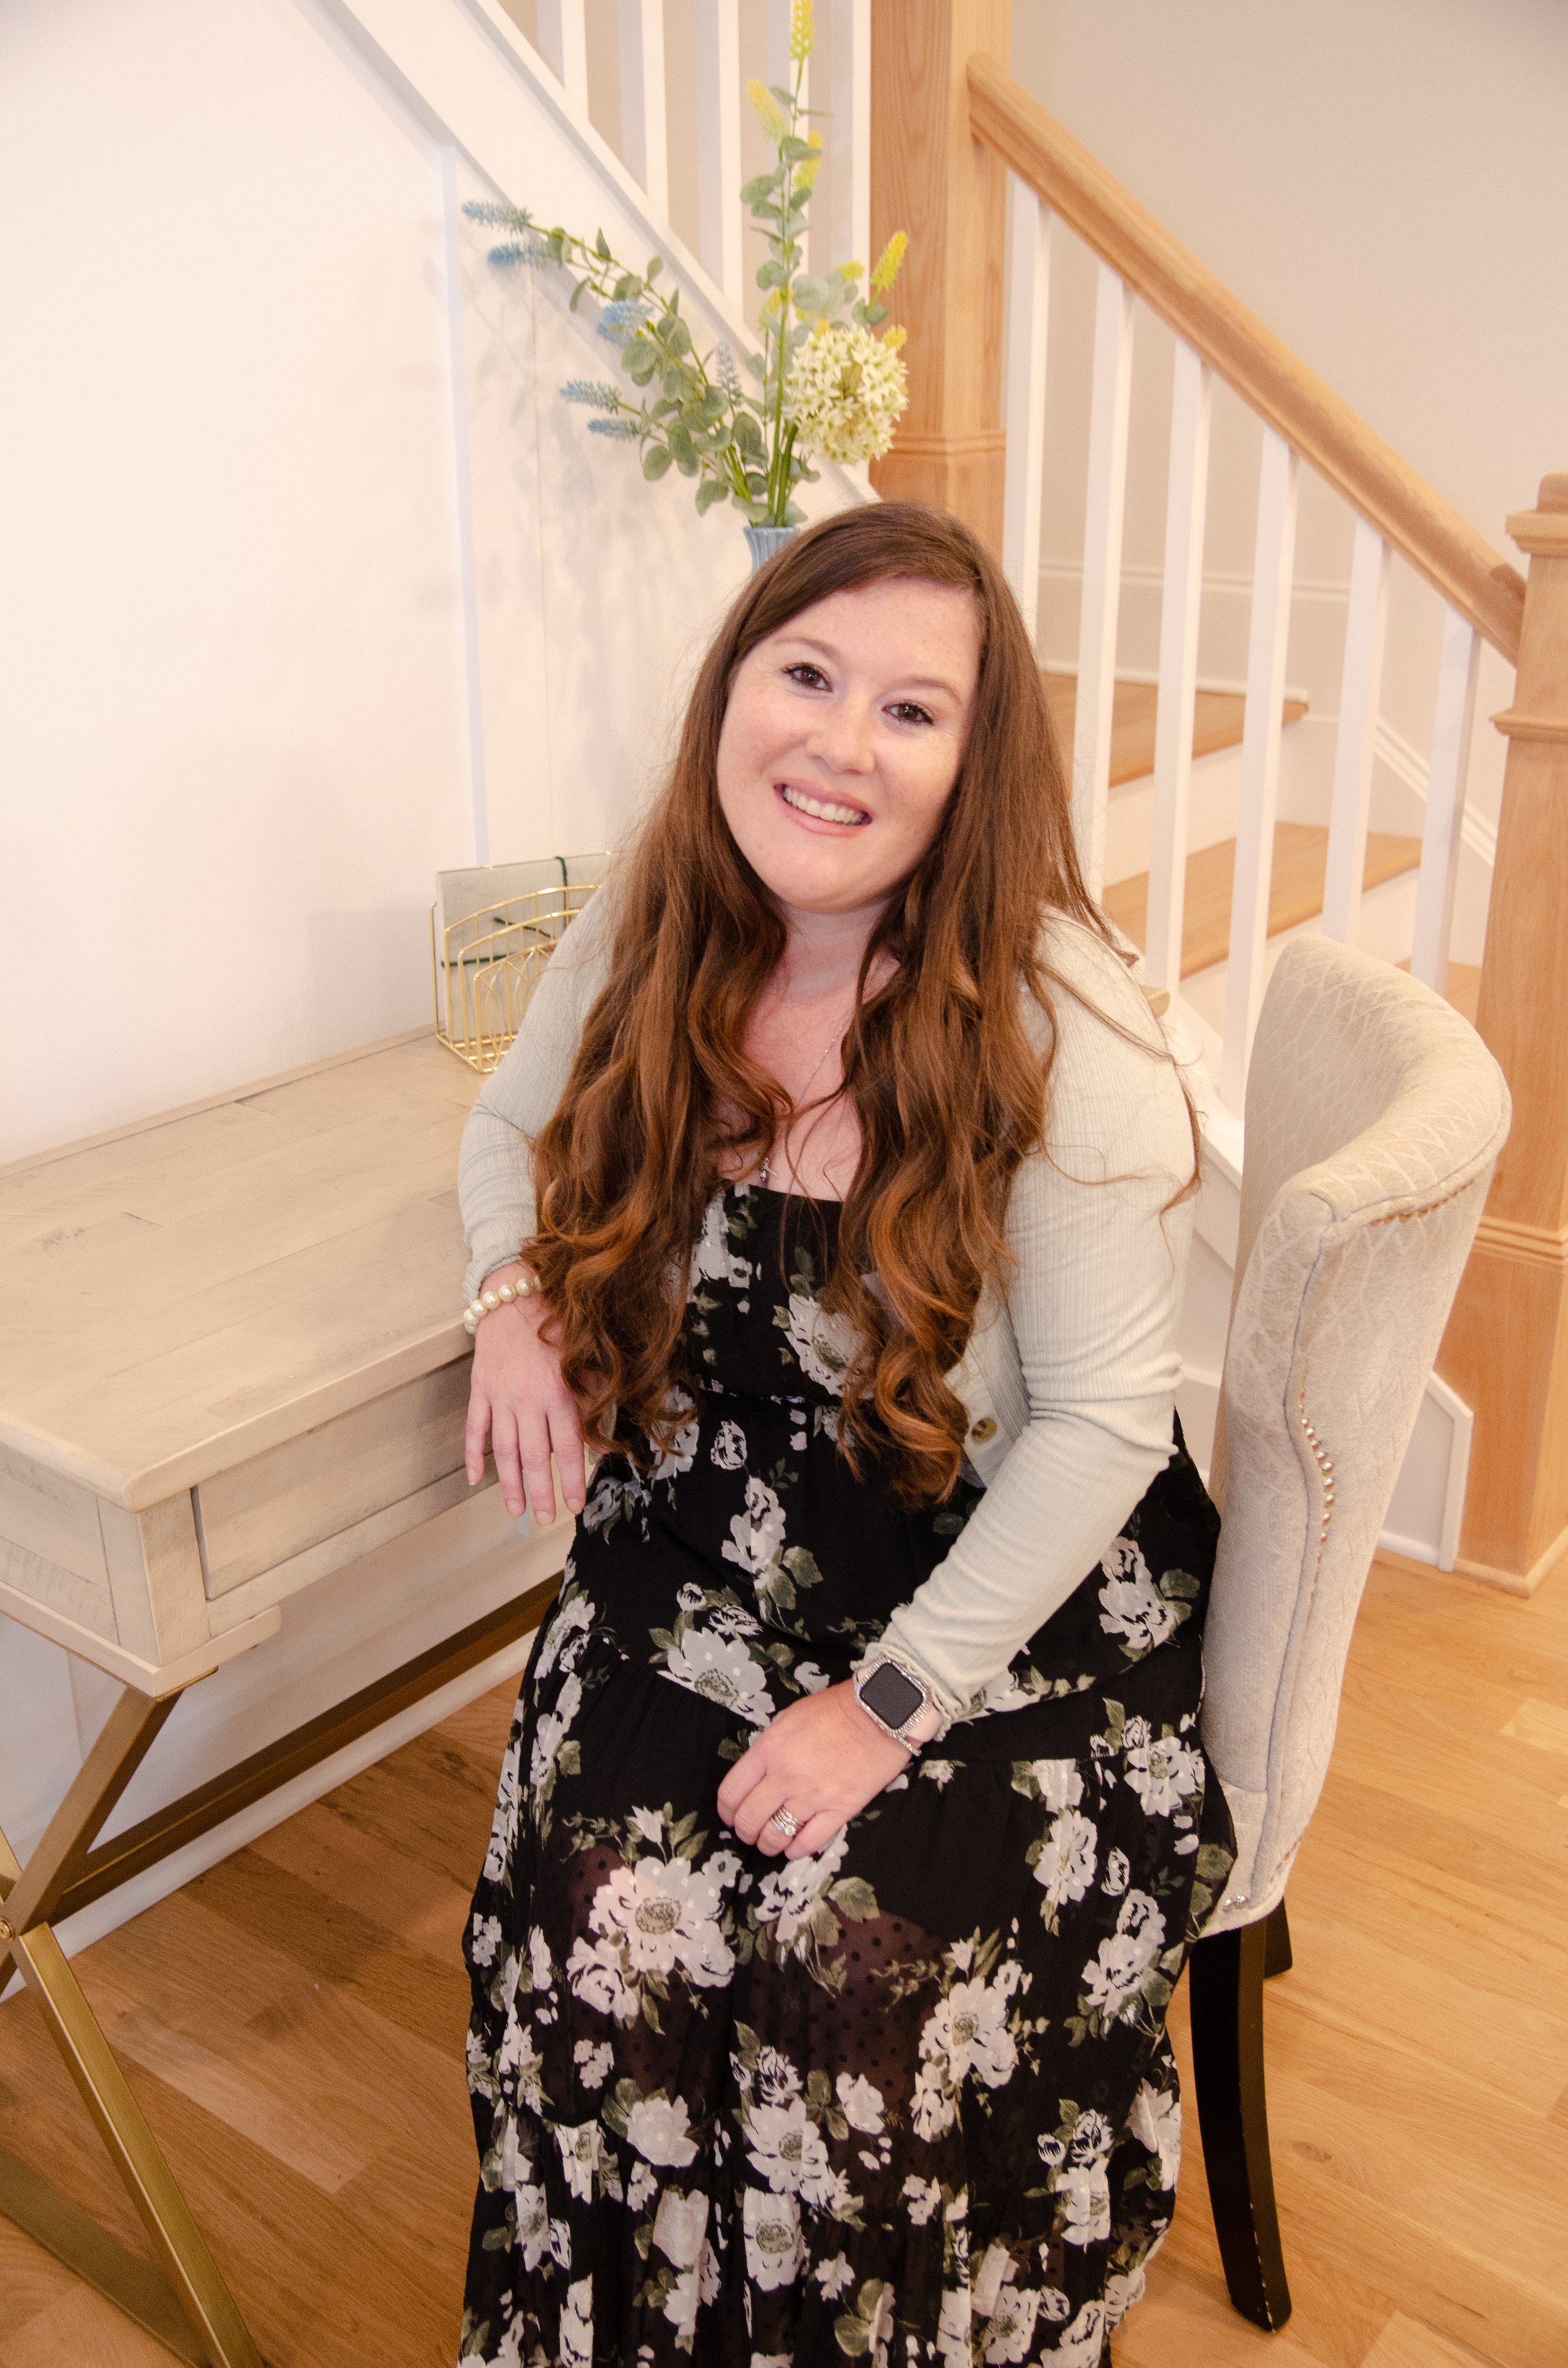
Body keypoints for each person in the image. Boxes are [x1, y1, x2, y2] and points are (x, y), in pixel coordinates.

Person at [454, 502, 1234, 2368]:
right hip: (710, 1567)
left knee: (842, 1978)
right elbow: (504, 1127)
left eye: (911, 708)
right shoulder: (659, 924)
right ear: (733, 689)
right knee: (606, 1922)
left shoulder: (1061, 1035)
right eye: (804, 674)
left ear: (975, 766)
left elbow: (1107, 1421)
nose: (837, 742)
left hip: (998, 1614)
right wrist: (509, 1299)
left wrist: (881, 1710)